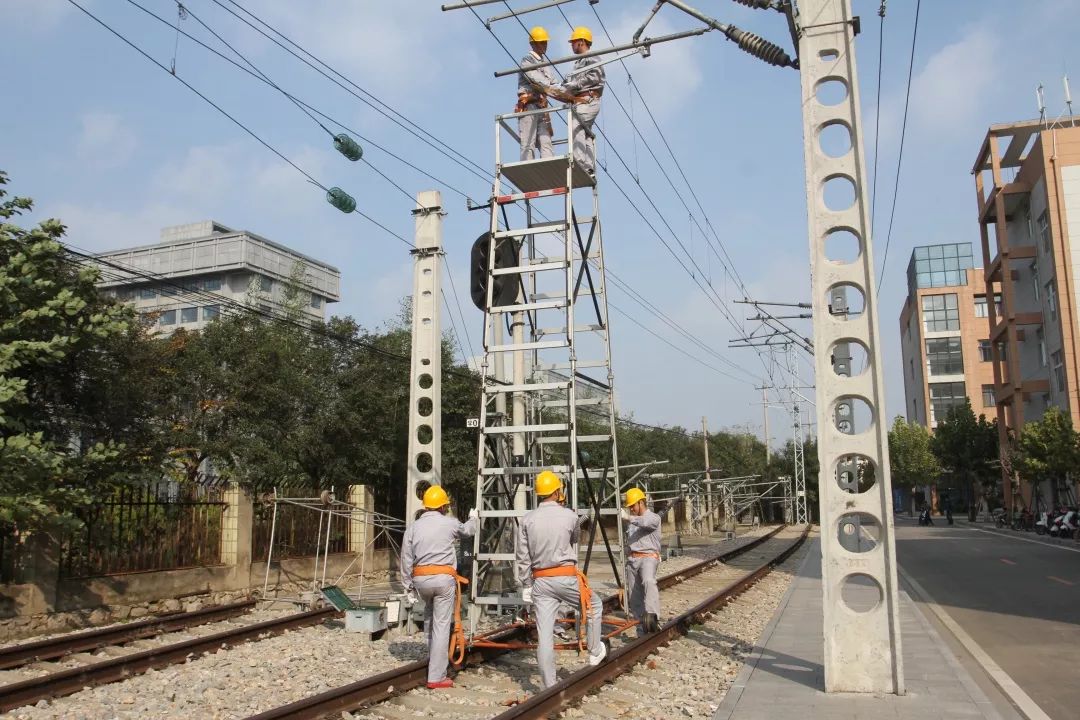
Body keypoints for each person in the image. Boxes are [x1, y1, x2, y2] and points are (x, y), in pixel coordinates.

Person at [515, 470, 607, 688]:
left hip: (541, 582)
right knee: (594, 605)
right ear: (557, 492)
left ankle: (549, 686)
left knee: (545, 636)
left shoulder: (527, 520)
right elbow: (574, 538)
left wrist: (525, 583)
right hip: (565, 577)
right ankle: (595, 650)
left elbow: (522, 556)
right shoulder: (570, 516)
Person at [399, 485, 478, 690]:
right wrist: (474, 518)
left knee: (429, 617)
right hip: (443, 581)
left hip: (421, 581)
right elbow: (468, 531)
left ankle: (432, 657)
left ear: (425, 506)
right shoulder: (449, 523)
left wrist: (407, 586)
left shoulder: (413, 528)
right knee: (441, 625)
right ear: (443, 506)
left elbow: (406, 558)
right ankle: (436, 676)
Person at [551, 26, 604, 177]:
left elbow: (594, 77)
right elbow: (573, 83)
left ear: (581, 41)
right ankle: (589, 167)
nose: (571, 45)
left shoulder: (592, 57)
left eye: (573, 42)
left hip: (588, 99)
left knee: (576, 127)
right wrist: (560, 88)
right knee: (585, 133)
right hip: (582, 101)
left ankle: (579, 162)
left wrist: (572, 85)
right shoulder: (579, 63)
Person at [621, 487, 661, 634]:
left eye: (633, 505)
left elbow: (645, 522)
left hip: (648, 557)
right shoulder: (632, 521)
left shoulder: (654, 518)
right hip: (633, 559)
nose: (631, 509)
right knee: (634, 595)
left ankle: (652, 617)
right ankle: (641, 629)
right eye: (630, 506)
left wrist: (628, 517)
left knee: (648, 581)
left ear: (641, 502)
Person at [517, 26, 556, 161]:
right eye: (541, 42)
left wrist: (566, 91)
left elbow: (553, 82)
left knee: (546, 141)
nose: (545, 45)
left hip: (542, 105)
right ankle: (527, 167)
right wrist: (554, 88)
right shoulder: (527, 60)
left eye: (545, 42)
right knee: (528, 141)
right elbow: (537, 80)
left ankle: (550, 167)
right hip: (529, 104)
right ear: (533, 44)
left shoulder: (544, 63)